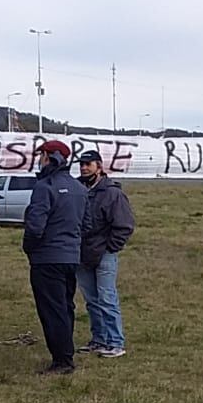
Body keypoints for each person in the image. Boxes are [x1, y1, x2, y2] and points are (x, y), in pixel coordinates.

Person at [23, 140, 87, 375]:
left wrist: (30, 248)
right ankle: (66, 352)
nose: (39, 159)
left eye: (41, 155)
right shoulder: (79, 188)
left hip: (46, 258)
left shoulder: (44, 186)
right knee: (65, 306)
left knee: (52, 309)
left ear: (49, 157)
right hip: (71, 256)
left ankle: (62, 360)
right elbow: (86, 223)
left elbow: (35, 226)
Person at [75, 150, 135, 358]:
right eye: (81, 164)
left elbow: (125, 225)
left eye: (88, 164)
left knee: (107, 298)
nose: (83, 167)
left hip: (104, 254)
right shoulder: (77, 189)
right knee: (91, 299)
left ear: (99, 166)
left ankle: (116, 342)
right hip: (81, 254)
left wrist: (110, 248)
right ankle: (99, 339)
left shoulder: (112, 193)